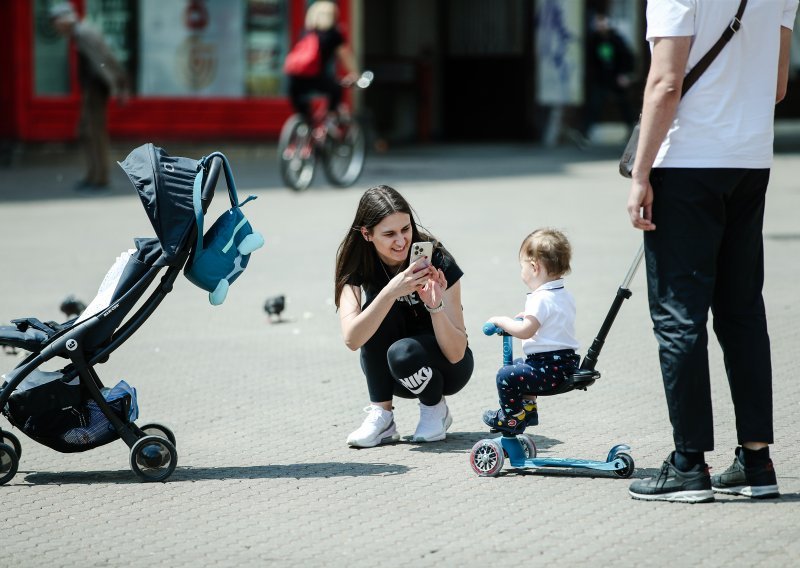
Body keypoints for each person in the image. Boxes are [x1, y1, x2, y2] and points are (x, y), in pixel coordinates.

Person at [626, 0, 797, 503]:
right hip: (750, 160)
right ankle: (756, 461)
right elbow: (778, 86)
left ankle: (688, 465)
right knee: (742, 312)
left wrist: (640, 175)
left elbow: (665, 83)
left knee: (679, 314)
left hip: (686, 164)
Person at [335, 185, 473, 447]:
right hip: (392, 375)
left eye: (405, 229)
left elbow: (457, 353)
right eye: (389, 234)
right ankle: (382, 417)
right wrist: (389, 292)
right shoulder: (356, 265)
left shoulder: (438, 260)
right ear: (367, 234)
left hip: (447, 368)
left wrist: (435, 305)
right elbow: (352, 339)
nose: (401, 241)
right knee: (375, 313)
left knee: (404, 351)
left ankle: (435, 409)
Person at [481, 228, 579, 435]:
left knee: (506, 375)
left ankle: (511, 418)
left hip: (549, 367)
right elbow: (551, 321)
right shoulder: (563, 295)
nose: (521, 272)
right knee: (518, 365)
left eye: (522, 266)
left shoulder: (539, 298)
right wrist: (529, 315)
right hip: (565, 363)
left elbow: (525, 331)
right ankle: (527, 410)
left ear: (534, 267)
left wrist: (503, 321)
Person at [49, 2, 130, 191]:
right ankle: (94, 175)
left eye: (56, 23)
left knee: (94, 132)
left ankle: (99, 177)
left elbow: (104, 61)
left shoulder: (84, 34)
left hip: (96, 89)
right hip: (93, 88)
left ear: (64, 20)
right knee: (88, 131)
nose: (56, 28)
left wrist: (119, 87)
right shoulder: (80, 33)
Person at [287, 1, 358, 121]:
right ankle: (330, 118)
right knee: (336, 90)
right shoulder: (334, 34)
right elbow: (345, 56)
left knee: (306, 115)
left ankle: (306, 128)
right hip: (316, 77)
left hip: (295, 78)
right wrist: (355, 74)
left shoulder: (306, 33)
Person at [580, 13, 636, 144]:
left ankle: (633, 130)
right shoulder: (593, 40)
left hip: (617, 77)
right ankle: (585, 132)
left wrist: (625, 74)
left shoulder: (616, 39)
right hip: (601, 79)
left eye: (602, 24)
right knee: (594, 104)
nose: (601, 27)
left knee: (624, 105)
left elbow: (627, 58)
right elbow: (590, 61)